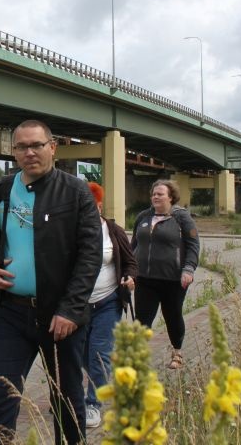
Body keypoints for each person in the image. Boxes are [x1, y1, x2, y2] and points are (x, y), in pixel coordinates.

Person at [0, 119, 102, 445]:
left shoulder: (75, 192)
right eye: (22, 147)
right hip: (11, 314)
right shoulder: (0, 192)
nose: (30, 153)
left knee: (67, 400)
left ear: (52, 148)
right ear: (14, 152)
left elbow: (90, 255)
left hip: (61, 317)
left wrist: (71, 309)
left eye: (37, 145)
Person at [82, 182, 137, 429]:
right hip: (79, 305)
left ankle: (93, 403)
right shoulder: (71, 232)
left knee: (98, 353)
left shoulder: (113, 230)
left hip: (109, 301)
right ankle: (104, 377)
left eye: (90, 206)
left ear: (99, 206)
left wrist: (129, 276)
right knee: (82, 354)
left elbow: (130, 261)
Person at [130, 178, 200, 370]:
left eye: (160, 194)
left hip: (173, 280)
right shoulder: (143, 217)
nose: (155, 197)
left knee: (173, 316)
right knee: (142, 320)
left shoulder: (182, 218)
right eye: (153, 194)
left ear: (171, 197)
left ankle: (177, 352)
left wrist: (188, 269)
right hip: (145, 279)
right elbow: (133, 245)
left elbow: (193, 245)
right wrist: (128, 269)